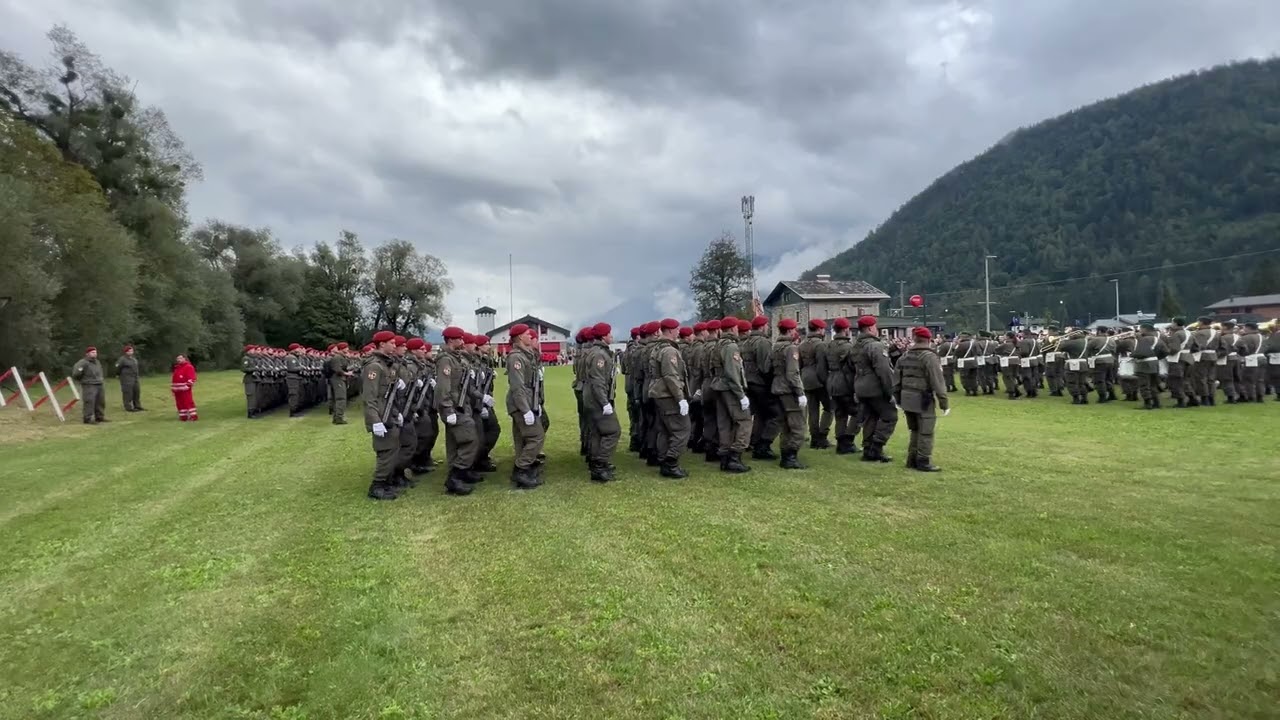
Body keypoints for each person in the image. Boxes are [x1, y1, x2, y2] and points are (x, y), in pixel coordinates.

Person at [893, 327, 948, 472]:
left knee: (915, 430)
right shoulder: (929, 357)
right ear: (929, 340)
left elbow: (896, 381)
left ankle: (912, 459)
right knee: (926, 431)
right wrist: (944, 402)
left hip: (906, 398)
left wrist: (898, 399)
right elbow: (937, 382)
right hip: (923, 399)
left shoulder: (904, 356)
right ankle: (923, 461)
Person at [435, 326, 479, 495]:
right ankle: (456, 476)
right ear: (451, 340)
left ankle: (459, 476)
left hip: (461, 405)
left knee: (455, 442)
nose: (463, 341)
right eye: (459, 339)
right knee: (470, 439)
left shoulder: (456, 358)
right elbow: (443, 388)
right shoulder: (446, 360)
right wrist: (447, 409)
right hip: (453, 406)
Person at [648, 318, 691, 478]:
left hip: (661, 394)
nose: (679, 331)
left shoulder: (659, 348)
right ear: (670, 330)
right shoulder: (669, 351)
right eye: (677, 329)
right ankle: (670, 462)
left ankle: (664, 460)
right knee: (682, 429)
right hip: (668, 395)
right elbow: (671, 376)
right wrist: (680, 398)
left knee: (665, 430)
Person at [362, 330, 402, 500]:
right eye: (391, 342)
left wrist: (396, 413)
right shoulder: (374, 366)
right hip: (380, 415)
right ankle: (377, 486)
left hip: (388, 413)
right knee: (385, 450)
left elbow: (388, 395)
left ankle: (386, 482)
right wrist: (374, 421)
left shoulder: (386, 365)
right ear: (382, 344)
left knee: (392, 448)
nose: (394, 345)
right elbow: (370, 397)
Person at [852, 316, 897, 462]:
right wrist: (890, 390)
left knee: (871, 418)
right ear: (871, 328)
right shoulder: (875, 346)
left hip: (860, 386)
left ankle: (867, 449)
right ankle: (876, 448)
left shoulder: (856, 345)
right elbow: (883, 370)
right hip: (874, 387)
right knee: (889, 416)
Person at [505, 324, 545, 489]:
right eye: (528, 334)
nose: (531, 336)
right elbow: (518, 386)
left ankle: (524, 470)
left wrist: (536, 404)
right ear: (520, 337)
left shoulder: (526, 355)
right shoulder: (516, 357)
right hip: (520, 403)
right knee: (537, 436)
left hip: (527, 401)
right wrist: (525, 409)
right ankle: (521, 469)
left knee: (522, 438)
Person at [711, 316, 752, 473]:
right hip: (729, 388)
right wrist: (741, 395)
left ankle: (725, 456)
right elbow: (733, 373)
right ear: (733, 328)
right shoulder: (731, 347)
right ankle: (734, 456)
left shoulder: (718, 344)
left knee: (725, 423)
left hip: (719, 387)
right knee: (744, 421)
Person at [583, 322, 622, 482]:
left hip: (593, 398)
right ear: (604, 336)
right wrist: (604, 402)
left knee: (598, 433)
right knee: (613, 431)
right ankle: (600, 464)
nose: (611, 336)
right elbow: (597, 381)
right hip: (597, 399)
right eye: (609, 334)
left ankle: (596, 464)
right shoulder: (599, 354)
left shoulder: (598, 352)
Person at [770, 318, 807, 469]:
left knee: (785, 425)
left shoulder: (775, 347)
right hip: (788, 389)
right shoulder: (791, 348)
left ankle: (785, 454)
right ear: (791, 331)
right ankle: (790, 457)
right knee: (798, 426)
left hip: (777, 387)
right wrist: (800, 392)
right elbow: (793, 373)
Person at [740, 315, 778, 460]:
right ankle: (763, 445)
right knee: (775, 415)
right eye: (767, 325)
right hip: (760, 383)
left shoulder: (746, 342)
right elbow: (765, 367)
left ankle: (755, 442)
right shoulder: (762, 342)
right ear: (763, 326)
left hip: (749, 382)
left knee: (760, 416)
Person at [824, 317, 860, 455]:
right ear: (846, 330)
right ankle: (848, 440)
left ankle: (840, 441)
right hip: (844, 383)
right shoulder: (848, 347)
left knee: (840, 414)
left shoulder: (829, 345)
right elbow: (852, 367)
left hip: (831, 381)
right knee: (857, 412)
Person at [799, 319, 832, 448]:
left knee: (813, 411)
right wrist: (825, 382)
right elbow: (821, 366)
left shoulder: (802, 344)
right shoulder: (820, 345)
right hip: (818, 380)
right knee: (830, 408)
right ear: (819, 329)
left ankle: (814, 438)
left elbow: (800, 365)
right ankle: (822, 436)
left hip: (805, 379)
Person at [1131, 322, 1165, 409]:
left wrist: (1132, 355)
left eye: (1140, 329)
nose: (1139, 331)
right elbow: (1166, 351)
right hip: (1155, 363)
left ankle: (1147, 403)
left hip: (1144, 364)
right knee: (1153, 384)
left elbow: (1140, 353)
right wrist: (1156, 357)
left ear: (1145, 329)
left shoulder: (1144, 339)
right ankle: (1156, 402)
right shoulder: (1158, 339)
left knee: (1144, 385)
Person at [71, 347, 107, 424]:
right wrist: (83, 380)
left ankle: (99, 417)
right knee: (89, 401)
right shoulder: (83, 362)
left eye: (95, 352)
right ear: (87, 354)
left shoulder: (97, 362)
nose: (95, 354)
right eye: (92, 352)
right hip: (89, 384)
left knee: (100, 401)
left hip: (99, 383)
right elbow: (76, 374)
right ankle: (88, 418)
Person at [116, 345, 145, 412]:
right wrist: (118, 374)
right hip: (127, 378)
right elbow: (118, 367)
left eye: (132, 351)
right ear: (126, 352)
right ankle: (128, 407)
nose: (131, 352)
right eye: (129, 351)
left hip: (135, 378)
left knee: (136, 392)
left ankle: (137, 406)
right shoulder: (122, 359)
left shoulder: (134, 359)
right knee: (128, 393)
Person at [170, 354, 198, 421]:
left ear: (185, 359)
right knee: (180, 404)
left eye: (180, 358)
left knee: (188, 402)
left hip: (185, 389)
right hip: (177, 390)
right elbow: (174, 379)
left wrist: (187, 386)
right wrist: (173, 388)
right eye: (177, 358)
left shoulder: (189, 367)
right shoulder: (177, 368)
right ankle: (183, 417)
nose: (178, 360)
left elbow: (192, 378)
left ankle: (193, 416)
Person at [285, 342, 306, 417]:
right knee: (293, 394)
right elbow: (291, 368)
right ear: (293, 349)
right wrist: (301, 367)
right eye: (297, 349)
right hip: (292, 378)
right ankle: (292, 411)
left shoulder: (295, 357)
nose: (299, 350)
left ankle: (295, 410)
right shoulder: (291, 358)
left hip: (295, 378)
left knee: (296, 394)